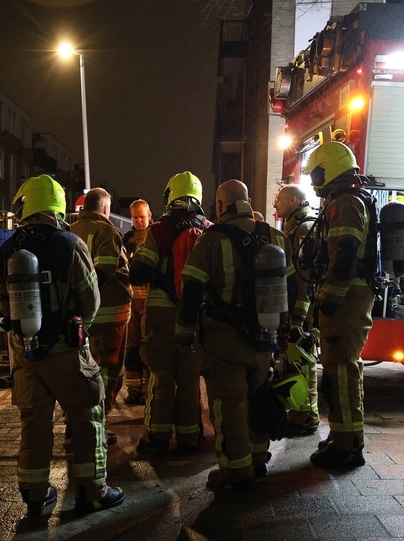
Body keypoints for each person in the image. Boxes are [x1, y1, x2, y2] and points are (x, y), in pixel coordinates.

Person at [0, 175, 125, 516]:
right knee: (87, 416)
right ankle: (93, 491)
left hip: (25, 352)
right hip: (67, 351)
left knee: (35, 422)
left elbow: (2, 299)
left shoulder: (8, 249)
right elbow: (91, 299)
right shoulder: (68, 243)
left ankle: (36, 494)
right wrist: (79, 330)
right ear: (56, 205)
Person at [175, 180, 296, 487]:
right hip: (266, 337)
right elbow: (294, 287)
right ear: (248, 200)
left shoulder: (210, 240)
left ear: (219, 206)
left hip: (224, 339)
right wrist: (287, 328)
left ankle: (234, 471)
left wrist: (184, 333)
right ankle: (257, 461)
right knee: (259, 398)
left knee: (229, 407)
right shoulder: (277, 237)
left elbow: (192, 291)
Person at [302, 141, 375, 467]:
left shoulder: (345, 203)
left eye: (316, 173)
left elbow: (344, 254)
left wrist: (328, 300)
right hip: (348, 297)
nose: (314, 180)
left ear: (328, 169)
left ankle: (347, 446)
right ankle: (341, 436)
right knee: (338, 370)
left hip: (346, 299)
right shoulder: (347, 200)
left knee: (343, 371)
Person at [129, 172, 209, 455]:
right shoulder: (209, 229)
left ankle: (156, 438)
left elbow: (139, 273)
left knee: (161, 374)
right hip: (196, 313)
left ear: (170, 196)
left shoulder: (160, 229)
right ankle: (190, 438)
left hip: (162, 310)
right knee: (189, 376)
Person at [70, 187, 132, 444]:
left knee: (81, 370)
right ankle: (97, 426)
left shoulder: (70, 231)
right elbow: (105, 271)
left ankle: (77, 424)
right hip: (108, 315)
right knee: (107, 370)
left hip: (79, 316)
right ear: (105, 208)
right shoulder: (106, 231)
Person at [273, 184, 320, 436]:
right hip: (299, 307)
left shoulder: (304, 229)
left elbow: (305, 278)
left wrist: (298, 318)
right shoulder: (297, 226)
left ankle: (306, 416)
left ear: (293, 200)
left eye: (279, 199)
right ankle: (302, 413)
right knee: (297, 359)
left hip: (303, 309)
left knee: (302, 358)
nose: (275, 204)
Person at [122, 199, 152, 405]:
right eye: (135, 217)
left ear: (150, 215)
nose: (139, 221)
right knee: (131, 349)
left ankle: (149, 390)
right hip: (132, 301)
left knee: (148, 346)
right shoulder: (126, 239)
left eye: (142, 216)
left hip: (150, 301)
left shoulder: (156, 237)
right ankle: (134, 389)